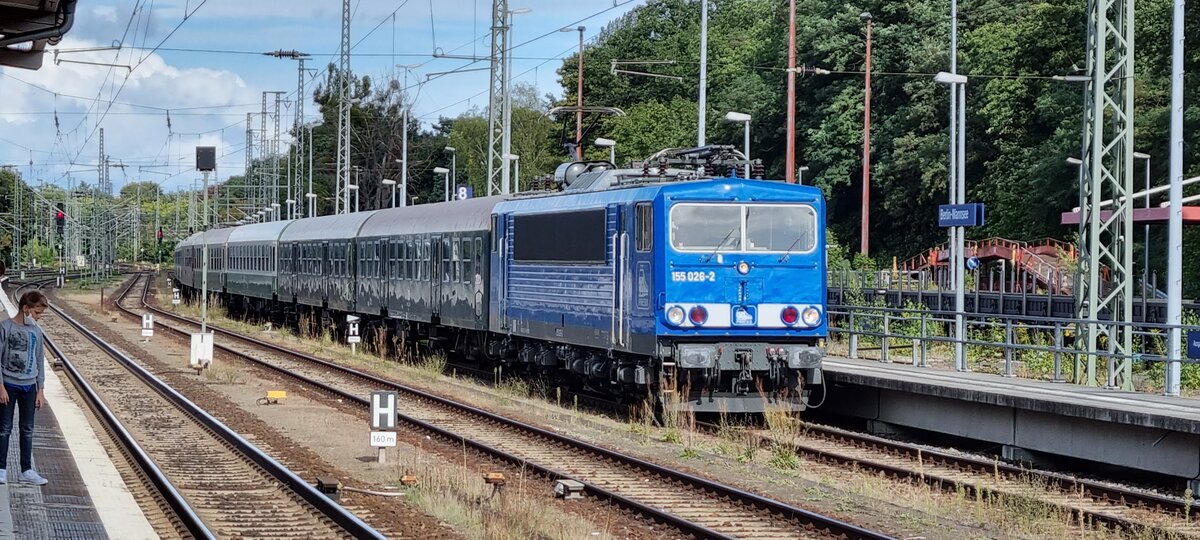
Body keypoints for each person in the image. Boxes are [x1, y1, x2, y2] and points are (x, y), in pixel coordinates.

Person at [0, 290, 48, 485]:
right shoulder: (5, 327)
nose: (38, 317)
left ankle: (26, 470)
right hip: (8, 385)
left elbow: (39, 361)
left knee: (27, 429)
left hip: (29, 387)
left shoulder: (36, 332)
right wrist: (1, 386)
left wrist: (40, 390)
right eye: (36, 313)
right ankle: (1, 468)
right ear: (25, 308)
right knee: (4, 428)